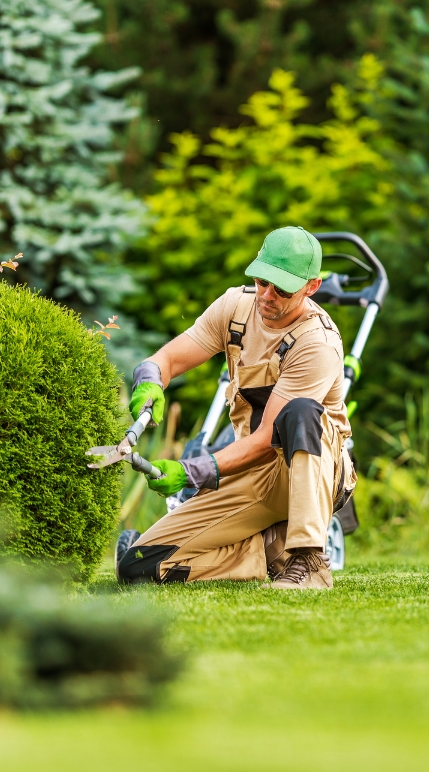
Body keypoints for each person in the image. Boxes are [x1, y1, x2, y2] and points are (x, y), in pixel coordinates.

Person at [116, 226, 356, 590]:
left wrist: (190, 471)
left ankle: (309, 560)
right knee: (136, 567)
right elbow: (168, 358)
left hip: (307, 472)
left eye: (282, 289)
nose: (267, 295)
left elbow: (264, 440)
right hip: (249, 473)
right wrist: (149, 378)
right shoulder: (235, 307)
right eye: (262, 282)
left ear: (312, 287)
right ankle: (267, 549)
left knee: (301, 412)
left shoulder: (317, 342)